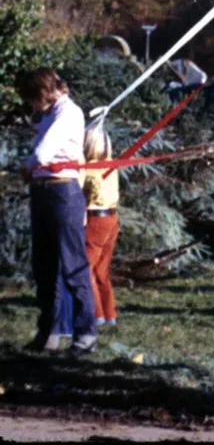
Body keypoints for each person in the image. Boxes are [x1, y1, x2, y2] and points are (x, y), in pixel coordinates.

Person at [17, 67, 97, 356]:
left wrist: (28, 166)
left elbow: (43, 152)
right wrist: (30, 168)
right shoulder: (51, 113)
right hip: (43, 192)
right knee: (45, 265)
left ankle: (85, 333)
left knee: (72, 264)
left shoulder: (68, 113)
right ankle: (49, 332)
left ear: (43, 93)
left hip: (62, 193)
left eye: (31, 99)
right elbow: (38, 149)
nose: (30, 107)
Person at [82, 123, 121, 326]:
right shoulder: (112, 165)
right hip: (112, 219)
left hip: (96, 220)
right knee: (102, 270)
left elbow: (84, 192)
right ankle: (109, 314)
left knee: (85, 268)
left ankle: (96, 313)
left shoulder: (88, 170)